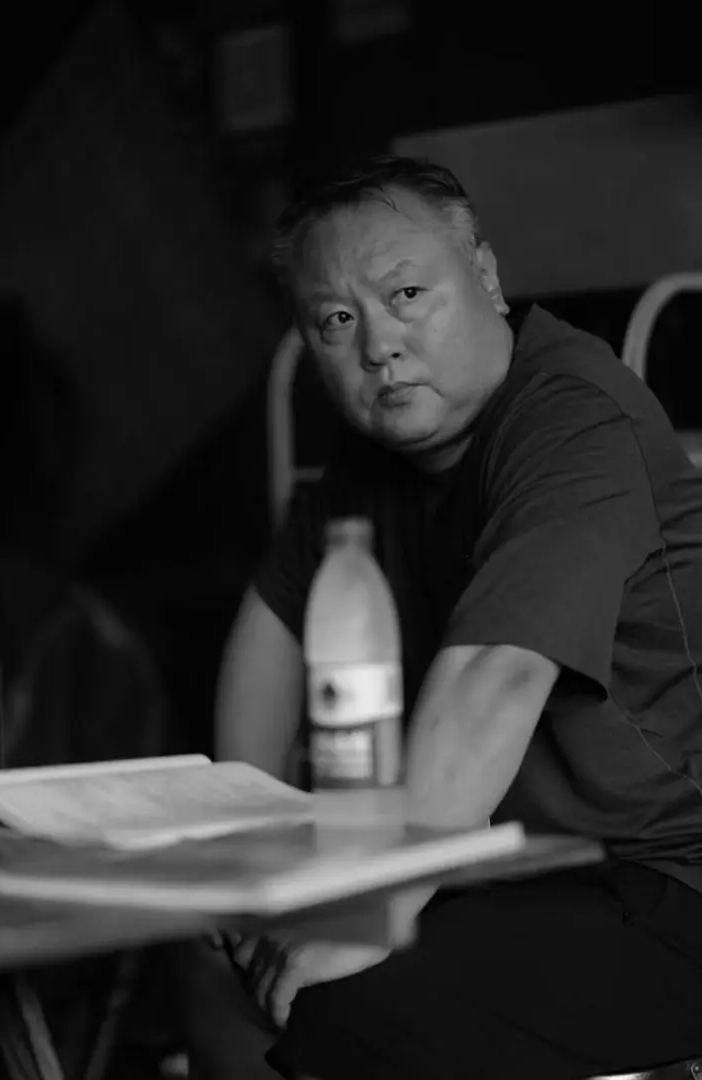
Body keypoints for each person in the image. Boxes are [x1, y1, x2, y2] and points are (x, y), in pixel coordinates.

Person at [212, 154, 702, 1079]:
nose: (378, 347)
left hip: (670, 872)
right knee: (220, 946)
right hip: (519, 866)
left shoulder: (573, 422)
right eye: (336, 320)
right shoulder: (372, 465)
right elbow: (273, 628)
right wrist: (251, 863)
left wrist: (376, 904)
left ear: (485, 275)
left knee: (346, 1005)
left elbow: (495, 674)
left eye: (406, 295)